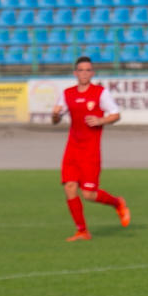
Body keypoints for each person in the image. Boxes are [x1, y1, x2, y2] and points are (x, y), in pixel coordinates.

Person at [52, 56, 131, 241]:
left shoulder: (100, 93)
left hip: (90, 150)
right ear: (75, 73)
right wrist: (54, 116)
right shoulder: (67, 93)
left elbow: (116, 114)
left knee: (88, 194)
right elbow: (56, 119)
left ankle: (117, 202)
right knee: (70, 187)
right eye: (81, 70)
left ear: (92, 73)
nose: (84, 73)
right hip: (72, 148)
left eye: (88, 70)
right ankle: (82, 231)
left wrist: (101, 120)